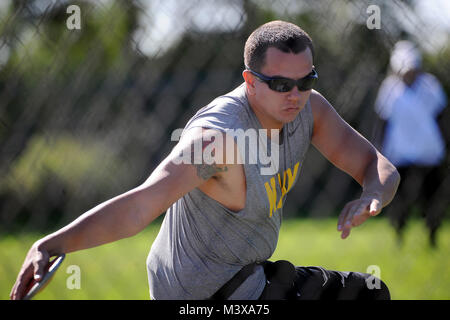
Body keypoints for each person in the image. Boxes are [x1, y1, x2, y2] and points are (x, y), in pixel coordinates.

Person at [10, 20, 400, 300]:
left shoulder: (309, 111)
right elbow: (141, 206)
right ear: (249, 82)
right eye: (281, 85)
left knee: (371, 291)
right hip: (204, 294)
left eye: (306, 81)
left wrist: (373, 194)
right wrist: (52, 244)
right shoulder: (219, 139)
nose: (295, 95)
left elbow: (378, 166)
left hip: (249, 277)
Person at [374, 40, 447, 246]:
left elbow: (442, 118)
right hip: (400, 154)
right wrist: (377, 152)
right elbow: (382, 123)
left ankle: (432, 236)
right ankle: (399, 236)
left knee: (431, 199)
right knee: (400, 200)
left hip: (429, 153)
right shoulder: (389, 89)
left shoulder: (430, 86)